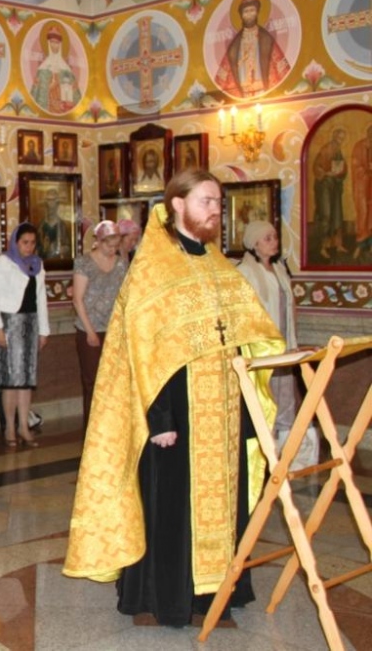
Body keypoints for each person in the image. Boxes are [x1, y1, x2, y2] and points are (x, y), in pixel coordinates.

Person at [63, 169, 284, 628]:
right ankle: (163, 598)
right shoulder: (154, 267)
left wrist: (246, 410)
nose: (216, 210)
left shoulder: (218, 264)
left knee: (224, 504)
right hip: (175, 412)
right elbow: (144, 348)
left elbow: (241, 335)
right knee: (171, 506)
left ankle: (216, 594)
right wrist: (159, 417)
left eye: (218, 202)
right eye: (206, 201)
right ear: (178, 204)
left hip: (222, 412)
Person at [0, 223, 49, 448]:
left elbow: (41, 299)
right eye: (25, 242)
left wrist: (43, 330)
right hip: (9, 324)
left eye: (32, 243)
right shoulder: (3, 262)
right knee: (11, 380)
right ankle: (10, 428)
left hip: (30, 323)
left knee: (26, 380)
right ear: (15, 242)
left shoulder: (37, 264)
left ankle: (24, 426)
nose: (29, 247)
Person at [237, 221, 297, 440]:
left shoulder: (280, 269)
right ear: (255, 243)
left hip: (284, 343)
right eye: (267, 238)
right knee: (264, 394)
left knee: (285, 393)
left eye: (275, 237)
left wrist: (292, 342)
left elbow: (289, 306)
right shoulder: (244, 272)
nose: (274, 242)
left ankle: (286, 443)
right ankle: (265, 442)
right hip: (262, 347)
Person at [72, 220, 126, 430]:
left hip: (112, 329)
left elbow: (123, 296)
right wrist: (90, 331)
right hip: (89, 328)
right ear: (99, 241)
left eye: (116, 246)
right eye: (108, 245)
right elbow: (78, 299)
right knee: (93, 382)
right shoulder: (84, 262)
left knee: (114, 381)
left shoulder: (121, 263)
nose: (112, 250)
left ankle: (111, 428)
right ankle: (92, 429)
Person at [213, 0, 291, 98]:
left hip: (263, 92)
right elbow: (221, 79)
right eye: (246, 11)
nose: (249, 14)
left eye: (252, 10)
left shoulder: (266, 39)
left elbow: (283, 70)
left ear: (257, 12)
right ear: (241, 15)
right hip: (242, 94)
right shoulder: (235, 45)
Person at [313, 128, 348, 259]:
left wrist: (340, 173)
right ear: (334, 137)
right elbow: (316, 167)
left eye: (342, 139)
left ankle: (337, 244)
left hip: (335, 187)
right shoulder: (326, 149)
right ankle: (323, 247)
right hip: (325, 187)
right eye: (339, 138)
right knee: (326, 215)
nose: (340, 141)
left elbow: (343, 168)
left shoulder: (338, 150)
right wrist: (326, 173)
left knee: (337, 215)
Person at [31, 25, 79, 113]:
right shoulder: (42, 70)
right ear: (48, 44)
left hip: (64, 110)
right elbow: (34, 97)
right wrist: (50, 88)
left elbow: (76, 98)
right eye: (52, 42)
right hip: (47, 110)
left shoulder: (67, 71)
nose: (54, 46)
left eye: (57, 43)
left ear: (60, 44)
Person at [351, 124, 372, 259]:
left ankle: (371, 246)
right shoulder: (359, 146)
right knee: (363, 214)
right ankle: (360, 244)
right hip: (363, 186)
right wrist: (366, 171)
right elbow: (355, 166)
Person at [39, 190, 69, 259]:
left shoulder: (62, 226)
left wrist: (61, 249)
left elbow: (68, 246)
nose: (50, 207)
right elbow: (36, 247)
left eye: (53, 203)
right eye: (48, 206)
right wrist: (44, 247)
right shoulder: (41, 226)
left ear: (57, 206)